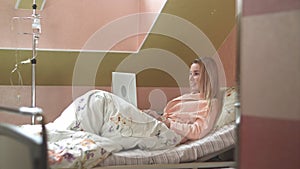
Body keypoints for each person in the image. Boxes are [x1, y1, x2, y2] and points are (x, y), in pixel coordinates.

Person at [143, 57, 220, 143]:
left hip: (168, 133)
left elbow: (198, 131)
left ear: (208, 77)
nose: (190, 78)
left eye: (196, 74)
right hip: (161, 124)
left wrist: (169, 124)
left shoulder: (210, 103)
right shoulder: (190, 97)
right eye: (190, 74)